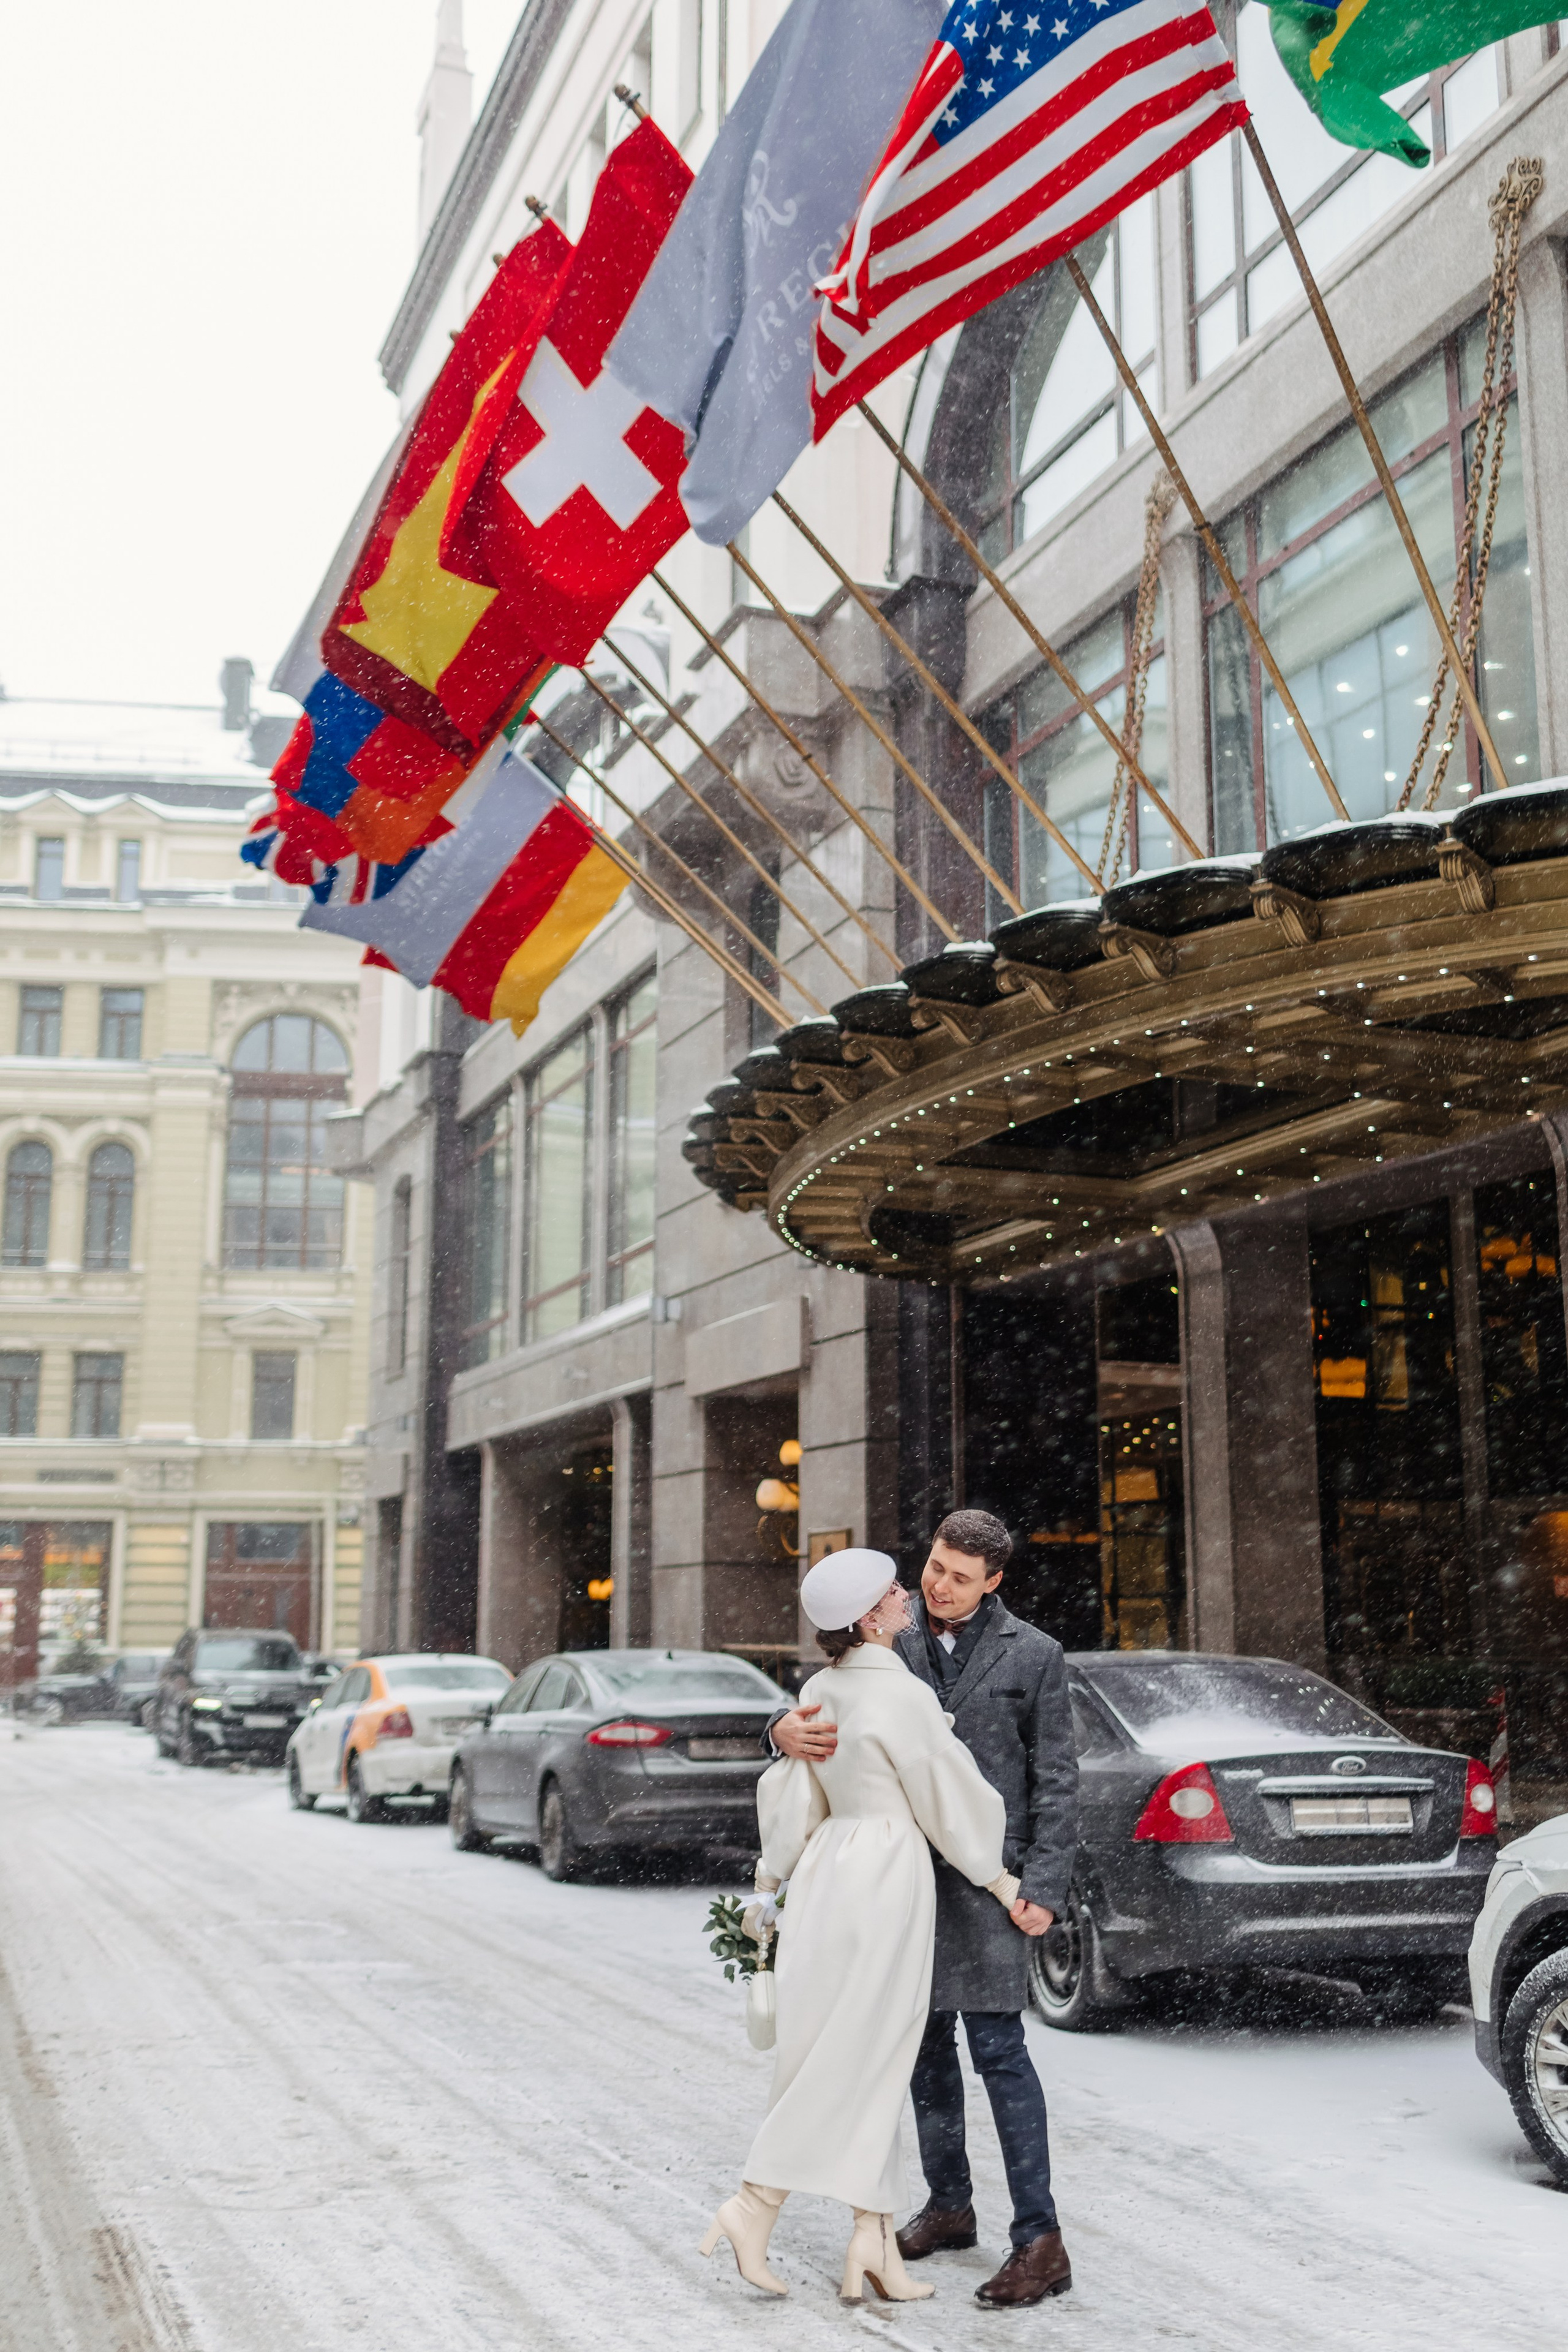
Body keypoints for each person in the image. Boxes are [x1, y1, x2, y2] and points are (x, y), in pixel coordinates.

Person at [771, 1509, 1078, 2308]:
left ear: (994, 1582)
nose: (938, 1588)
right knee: (921, 2052)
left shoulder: (1035, 1655)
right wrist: (779, 1731)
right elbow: (818, 1705)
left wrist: (1043, 1887)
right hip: (897, 1883)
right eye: (935, 1568)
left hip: (988, 1884)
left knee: (1000, 2052)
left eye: (960, 1578)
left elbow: (1056, 1779)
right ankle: (949, 2206)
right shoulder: (886, 1635)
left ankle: (1040, 2240)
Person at [702, 1546, 1023, 2305]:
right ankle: (754, 2204)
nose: (908, 1594)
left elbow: (795, 1798)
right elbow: (950, 1798)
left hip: (826, 1871)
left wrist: (769, 1884)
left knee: (854, 2052)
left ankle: (871, 2245)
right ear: (871, 1618)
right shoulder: (903, 1696)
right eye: (892, 1592)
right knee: (865, 2056)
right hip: (885, 1874)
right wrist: (999, 1878)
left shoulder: (820, 1688)